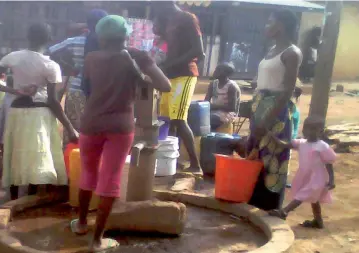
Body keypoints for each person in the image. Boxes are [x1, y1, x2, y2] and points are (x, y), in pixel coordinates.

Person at [71, 15, 171, 252]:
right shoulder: (135, 57)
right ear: (126, 35)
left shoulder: (91, 58)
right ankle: (97, 241)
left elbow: (87, 87)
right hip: (121, 125)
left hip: (91, 123)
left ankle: (82, 223)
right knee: (111, 178)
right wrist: (143, 69)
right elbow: (165, 86)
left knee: (88, 173)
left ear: (99, 36)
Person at [0, 23, 77, 200]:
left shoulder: (13, 57)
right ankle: (29, 200)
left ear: (27, 37)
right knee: (36, 158)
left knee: (14, 154)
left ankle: (13, 199)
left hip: (17, 112)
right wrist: (70, 129)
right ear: (49, 40)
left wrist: (15, 91)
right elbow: (53, 101)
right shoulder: (50, 65)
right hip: (39, 115)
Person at [246, 9, 302, 211]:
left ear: (282, 25)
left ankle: (268, 206)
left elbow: (287, 91)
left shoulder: (291, 53)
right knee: (254, 153)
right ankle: (253, 201)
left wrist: (267, 120)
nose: (266, 26)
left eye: (270, 22)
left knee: (273, 156)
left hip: (276, 112)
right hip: (260, 106)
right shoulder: (271, 50)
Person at [152, 1, 205, 175]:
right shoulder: (168, 21)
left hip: (184, 74)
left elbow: (199, 50)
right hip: (170, 75)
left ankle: (196, 165)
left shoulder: (187, 18)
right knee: (166, 119)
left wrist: (171, 64)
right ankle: (174, 161)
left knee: (179, 119)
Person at [49, 9, 108, 146]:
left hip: (76, 91)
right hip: (101, 93)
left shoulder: (75, 41)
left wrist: (67, 66)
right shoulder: (108, 45)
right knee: (96, 133)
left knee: (74, 132)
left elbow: (50, 51)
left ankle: (71, 163)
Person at [268, 116, 336, 229]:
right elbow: (284, 145)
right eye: (307, 128)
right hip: (306, 176)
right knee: (314, 200)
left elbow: (329, 164)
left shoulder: (322, 146)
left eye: (314, 129)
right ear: (304, 129)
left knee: (302, 194)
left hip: (317, 177)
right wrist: (272, 136)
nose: (310, 132)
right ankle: (318, 221)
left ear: (320, 131)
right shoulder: (301, 143)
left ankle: (284, 211)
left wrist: (332, 180)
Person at [204, 63, 241, 131]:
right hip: (215, 111)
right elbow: (206, 101)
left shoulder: (231, 87)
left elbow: (232, 108)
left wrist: (213, 106)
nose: (215, 71)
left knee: (208, 119)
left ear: (226, 73)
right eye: (216, 69)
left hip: (228, 114)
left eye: (218, 70)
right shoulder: (213, 84)